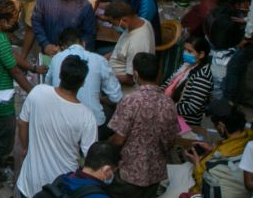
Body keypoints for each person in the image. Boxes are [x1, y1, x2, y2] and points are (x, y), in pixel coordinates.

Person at [16, 55, 99, 198]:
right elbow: (90, 158)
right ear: (82, 83)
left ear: (60, 75)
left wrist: (26, 148)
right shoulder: (87, 116)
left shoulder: (38, 92)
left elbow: (22, 123)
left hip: (29, 183)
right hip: (60, 188)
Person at [107, 53, 180, 197]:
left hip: (128, 173)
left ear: (135, 74)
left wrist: (107, 145)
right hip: (155, 174)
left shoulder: (130, 101)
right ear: (159, 73)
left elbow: (119, 139)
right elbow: (171, 141)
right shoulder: (168, 104)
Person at [0, 0, 44, 159]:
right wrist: (35, 92)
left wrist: (33, 68)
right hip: (1, 94)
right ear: (3, 22)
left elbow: (11, 55)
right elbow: (15, 71)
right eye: (13, 21)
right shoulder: (1, 39)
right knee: (6, 130)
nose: (16, 25)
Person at [46, 29, 121, 134]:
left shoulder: (56, 58)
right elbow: (116, 97)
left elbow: (48, 87)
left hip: (60, 123)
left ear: (62, 47)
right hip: (94, 125)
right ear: (83, 43)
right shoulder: (99, 60)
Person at [164, 36, 213, 127]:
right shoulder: (186, 65)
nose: (185, 53)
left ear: (201, 54)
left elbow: (192, 107)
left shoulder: (202, 76)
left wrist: (165, 107)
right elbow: (168, 83)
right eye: (185, 50)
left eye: (190, 51)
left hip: (184, 123)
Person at [105, 0, 155, 87]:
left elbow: (130, 80)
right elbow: (120, 51)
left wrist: (106, 76)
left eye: (114, 24)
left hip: (122, 89)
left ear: (124, 20)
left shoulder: (138, 43)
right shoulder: (140, 21)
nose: (114, 26)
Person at [48, 141, 121, 198]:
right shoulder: (99, 196)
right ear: (106, 170)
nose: (113, 176)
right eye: (113, 172)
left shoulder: (64, 178)